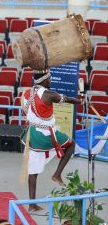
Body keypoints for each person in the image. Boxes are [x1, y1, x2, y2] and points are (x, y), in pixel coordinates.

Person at [21, 70, 81, 212]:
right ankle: (57, 174)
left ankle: (32, 204)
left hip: (31, 135)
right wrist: (80, 101)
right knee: (71, 144)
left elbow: (26, 112)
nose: (51, 81)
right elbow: (67, 99)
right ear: (44, 80)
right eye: (49, 79)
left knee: (33, 171)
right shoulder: (49, 95)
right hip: (45, 135)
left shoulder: (25, 93)